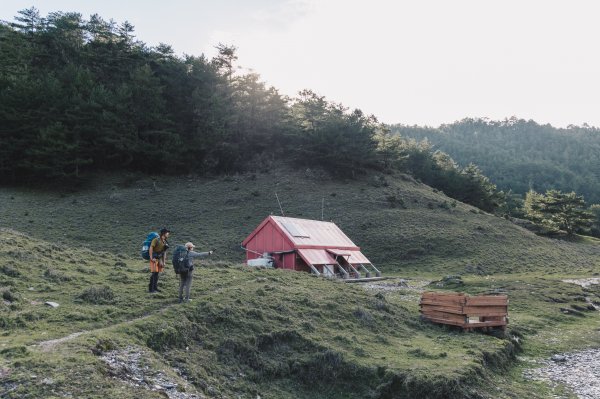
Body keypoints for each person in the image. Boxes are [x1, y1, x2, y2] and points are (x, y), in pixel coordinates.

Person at [149, 228, 170, 293]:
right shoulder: (156, 240)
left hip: (160, 259)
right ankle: (151, 289)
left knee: (157, 274)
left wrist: (164, 262)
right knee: (154, 273)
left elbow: (164, 252)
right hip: (155, 258)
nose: (168, 234)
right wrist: (151, 257)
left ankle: (155, 288)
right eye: (167, 233)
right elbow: (151, 248)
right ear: (164, 233)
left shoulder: (165, 241)